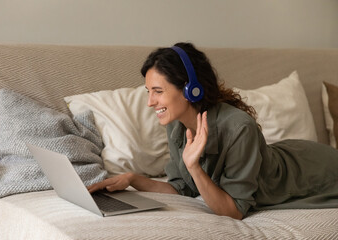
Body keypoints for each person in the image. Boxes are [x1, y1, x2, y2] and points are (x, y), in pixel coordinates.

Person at [88, 42, 338, 220]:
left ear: (189, 90)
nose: (150, 102)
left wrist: (194, 167)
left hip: (312, 171)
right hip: (288, 156)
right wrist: (132, 180)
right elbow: (182, 188)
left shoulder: (239, 127)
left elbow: (234, 211)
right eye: (148, 92)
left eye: (158, 91)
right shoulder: (176, 125)